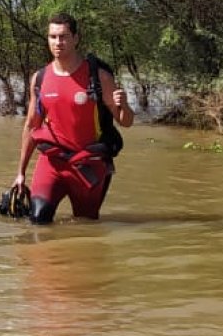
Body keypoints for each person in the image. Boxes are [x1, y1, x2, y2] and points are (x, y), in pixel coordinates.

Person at [11, 12, 134, 223]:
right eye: (52, 36)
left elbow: (126, 121)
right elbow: (32, 126)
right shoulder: (40, 78)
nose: (58, 42)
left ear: (76, 39)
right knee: (37, 220)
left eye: (64, 36)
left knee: (86, 227)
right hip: (52, 163)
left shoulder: (99, 77)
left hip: (88, 166)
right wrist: (20, 173)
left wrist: (124, 104)